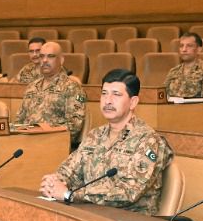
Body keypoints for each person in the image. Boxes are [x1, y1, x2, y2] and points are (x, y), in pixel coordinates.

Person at [38, 70, 173, 212]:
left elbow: (129, 192)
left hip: (130, 219)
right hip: (91, 211)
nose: (108, 101)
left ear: (133, 102)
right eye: (104, 93)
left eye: (116, 94)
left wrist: (71, 195)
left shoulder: (148, 140)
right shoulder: (95, 135)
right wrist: (54, 182)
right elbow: (70, 170)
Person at [14, 42, 86, 143]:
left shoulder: (72, 87)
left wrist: (43, 132)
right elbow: (19, 119)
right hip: (26, 141)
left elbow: (74, 126)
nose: (44, 60)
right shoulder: (32, 87)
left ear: (61, 60)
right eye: (41, 56)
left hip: (54, 143)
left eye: (50, 56)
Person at [164, 33, 203, 99]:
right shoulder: (173, 71)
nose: (184, 49)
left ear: (199, 49)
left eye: (189, 46)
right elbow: (163, 95)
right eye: (181, 46)